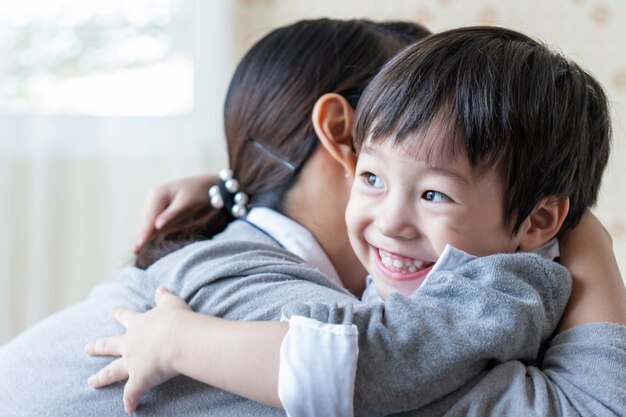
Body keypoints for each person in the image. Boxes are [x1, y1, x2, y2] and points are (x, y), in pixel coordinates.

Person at [87, 26, 626, 416]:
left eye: (434, 194)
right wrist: (228, 187)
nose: (390, 221)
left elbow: (350, 364)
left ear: (539, 220)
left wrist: (178, 341)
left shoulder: (499, 291)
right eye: (370, 179)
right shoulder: (462, 260)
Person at [0, 18, 434, 416]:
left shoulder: (235, 255)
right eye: (431, 133)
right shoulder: (277, 304)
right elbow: (444, 380)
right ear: (341, 133)